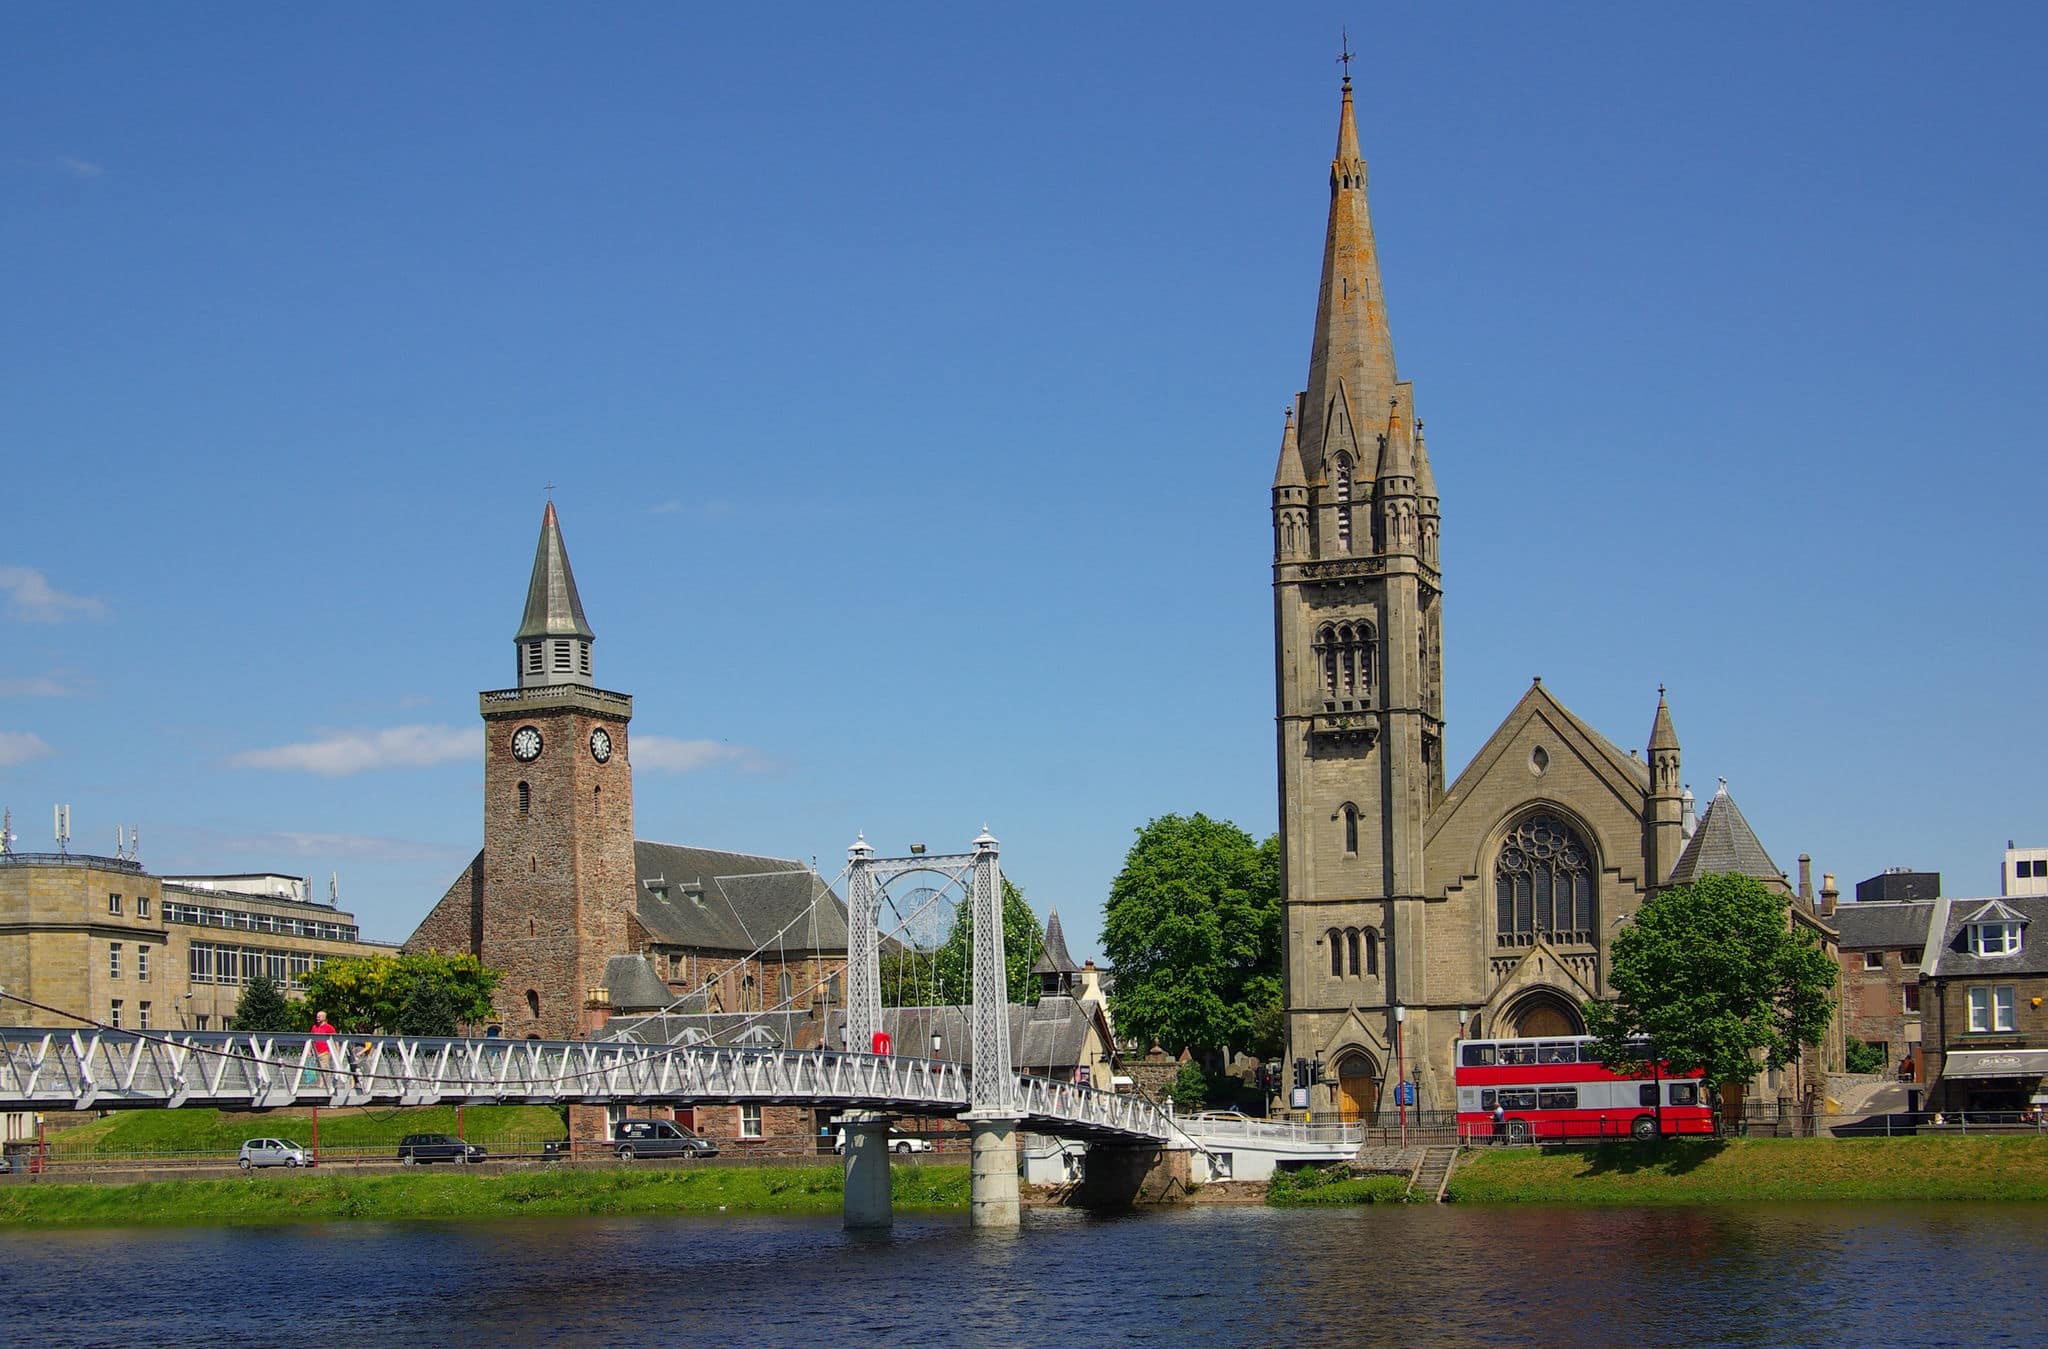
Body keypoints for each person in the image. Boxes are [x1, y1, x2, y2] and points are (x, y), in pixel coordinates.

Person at [310, 1010, 336, 1084]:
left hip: (325, 1052)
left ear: (324, 1017)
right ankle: (322, 1083)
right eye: (317, 1016)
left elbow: (335, 1040)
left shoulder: (329, 1028)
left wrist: (335, 1052)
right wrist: (309, 1050)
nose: (317, 1017)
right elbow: (311, 1039)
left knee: (324, 1068)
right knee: (318, 1068)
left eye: (319, 1016)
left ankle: (322, 1085)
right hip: (316, 1051)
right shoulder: (314, 1027)